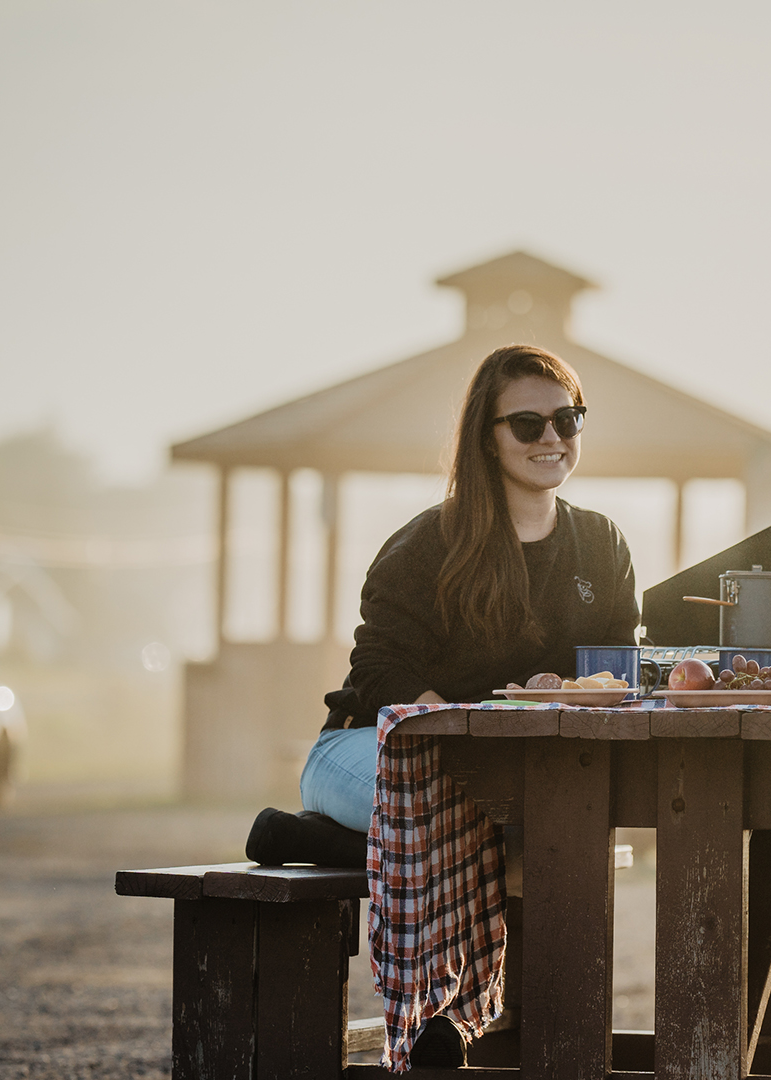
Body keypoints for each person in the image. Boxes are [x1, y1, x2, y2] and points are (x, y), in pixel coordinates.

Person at [244, 343, 639, 1064]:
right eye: (527, 425)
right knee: (468, 810)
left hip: (495, 781)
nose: (552, 438)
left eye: (568, 419)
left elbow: (615, 662)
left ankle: (312, 844)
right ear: (485, 439)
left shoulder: (603, 545)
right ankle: (441, 1019)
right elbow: (378, 666)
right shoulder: (431, 541)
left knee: (559, 831)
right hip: (372, 748)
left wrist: (573, 685)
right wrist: (458, 739)